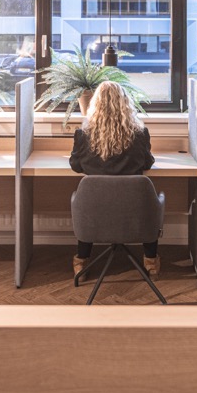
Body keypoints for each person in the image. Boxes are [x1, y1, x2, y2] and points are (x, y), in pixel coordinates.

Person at [68, 81, 157, 276]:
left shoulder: (83, 135)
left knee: (90, 202)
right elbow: (147, 163)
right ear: (126, 103)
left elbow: (75, 165)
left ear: (95, 104)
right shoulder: (140, 134)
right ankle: (151, 261)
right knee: (150, 204)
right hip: (133, 211)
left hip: (94, 211)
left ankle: (81, 261)